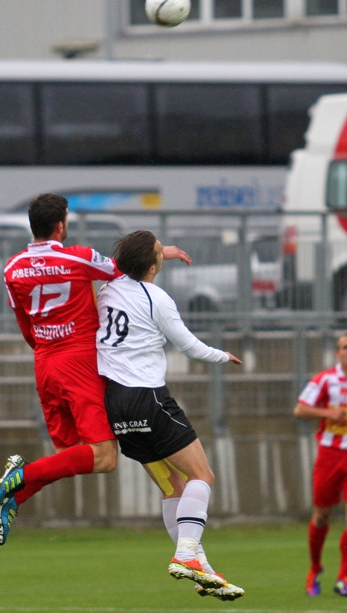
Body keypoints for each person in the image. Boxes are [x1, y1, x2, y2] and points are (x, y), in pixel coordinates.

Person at [0, 193, 191, 545]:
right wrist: (162, 252)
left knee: (73, 454)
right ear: (60, 226)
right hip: (79, 362)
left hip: (45, 364)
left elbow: (24, 325)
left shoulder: (12, 268)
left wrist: (47, 349)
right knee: (104, 457)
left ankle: (14, 498)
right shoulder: (78, 258)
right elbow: (124, 268)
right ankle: (20, 477)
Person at [95, 230, 244, 601]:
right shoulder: (157, 298)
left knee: (172, 488)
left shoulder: (107, 289)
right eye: (161, 251)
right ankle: (185, 555)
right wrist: (222, 356)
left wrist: (165, 252)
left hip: (115, 404)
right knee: (201, 476)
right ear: (152, 264)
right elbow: (190, 348)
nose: (165, 253)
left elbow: (123, 267)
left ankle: (204, 572)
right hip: (149, 400)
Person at [294, 332, 347, 598]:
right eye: (345, 347)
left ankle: (344, 577)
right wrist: (328, 413)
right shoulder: (325, 380)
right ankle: (315, 567)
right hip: (330, 456)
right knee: (321, 516)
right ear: (337, 353)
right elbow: (300, 410)